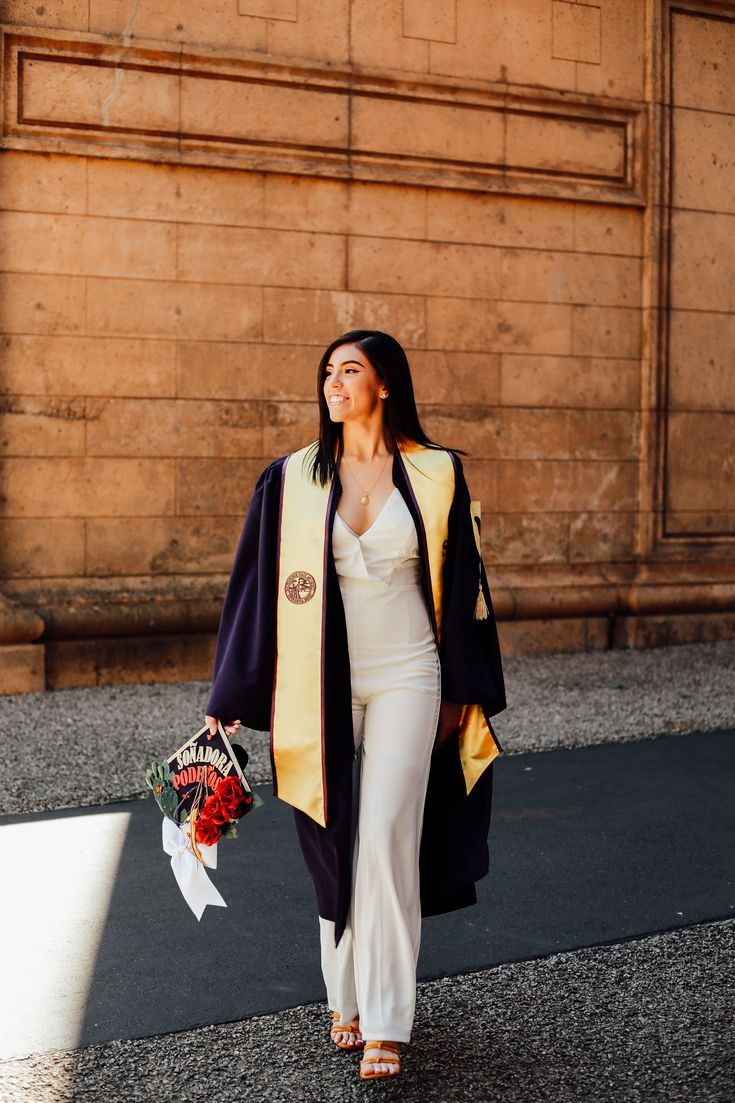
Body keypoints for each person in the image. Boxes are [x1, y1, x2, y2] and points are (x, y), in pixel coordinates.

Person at [204, 329, 506, 1081]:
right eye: (328, 373)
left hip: (410, 672)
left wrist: (461, 693)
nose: (334, 384)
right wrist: (232, 691)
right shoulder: (294, 479)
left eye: (350, 371)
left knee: (386, 833)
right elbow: (254, 590)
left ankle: (386, 1019)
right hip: (321, 686)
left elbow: (468, 589)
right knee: (335, 834)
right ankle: (343, 992)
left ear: (384, 385)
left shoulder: (436, 473)